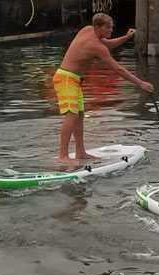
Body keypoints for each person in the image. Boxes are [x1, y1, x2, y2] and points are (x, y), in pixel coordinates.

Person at [53, 13, 150, 163]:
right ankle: (63, 156)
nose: (111, 31)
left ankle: (80, 152)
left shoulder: (87, 30)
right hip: (65, 79)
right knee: (71, 116)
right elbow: (118, 69)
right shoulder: (96, 46)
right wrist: (140, 83)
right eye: (108, 28)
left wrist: (125, 38)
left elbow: (108, 43)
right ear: (98, 27)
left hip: (74, 80)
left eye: (112, 27)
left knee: (79, 115)